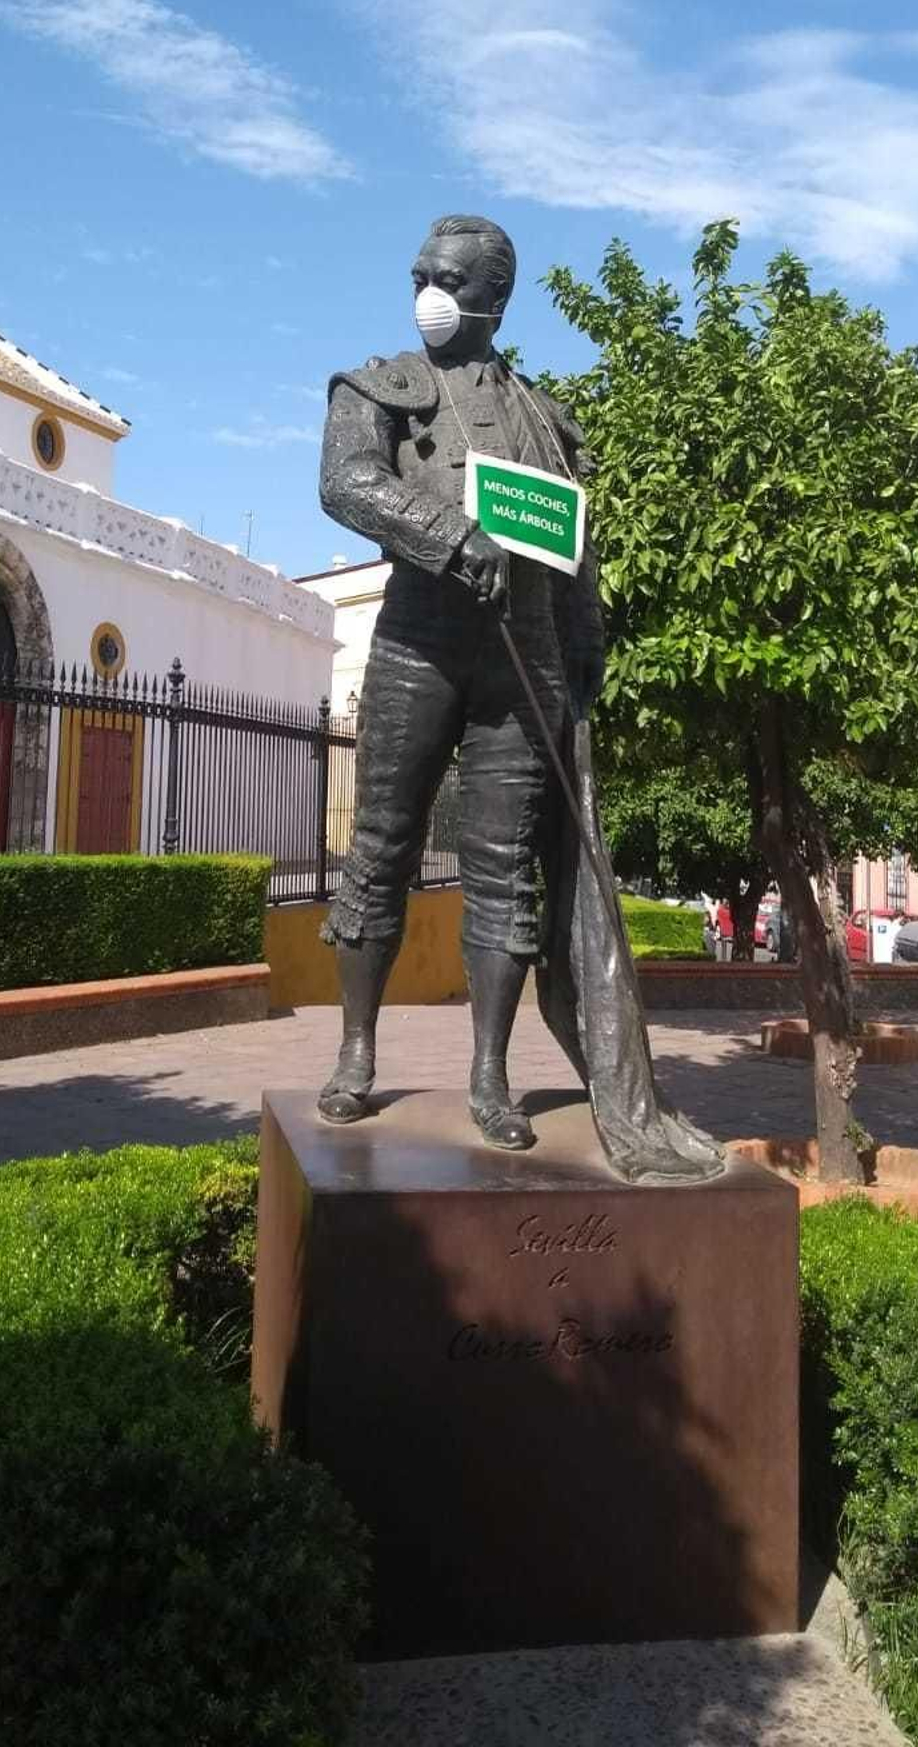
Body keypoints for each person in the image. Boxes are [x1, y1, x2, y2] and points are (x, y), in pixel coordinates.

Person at [315, 215, 603, 1151]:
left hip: (524, 661)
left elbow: (578, 560)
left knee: (502, 872)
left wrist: (584, 665)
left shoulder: (548, 421)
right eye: (419, 274)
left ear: (495, 299)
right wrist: (446, 537)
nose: (427, 291)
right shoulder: (385, 385)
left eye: (448, 278)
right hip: (417, 644)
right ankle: (357, 1052)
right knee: (383, 845)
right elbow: (346, 480)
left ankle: (491, 1074)